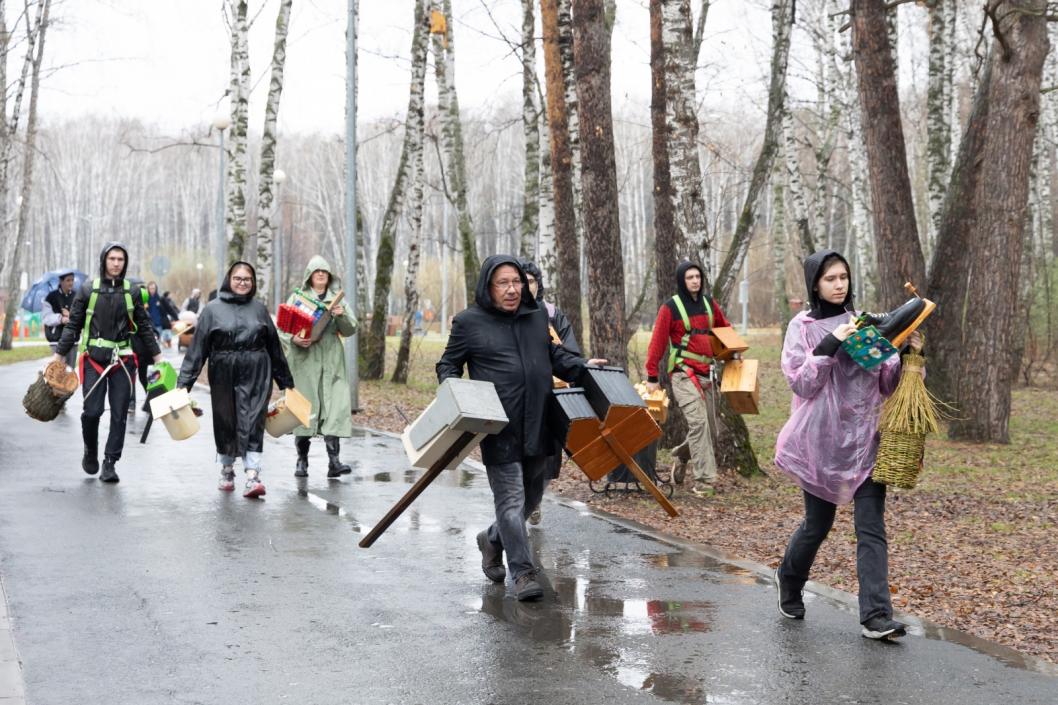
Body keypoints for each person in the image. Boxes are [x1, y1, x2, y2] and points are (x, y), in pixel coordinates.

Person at [436, 255, 605, 601]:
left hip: (540, 422)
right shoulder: (469, 323)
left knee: (531, 499)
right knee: (510, 500)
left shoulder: (536, 317)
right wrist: (457, 399)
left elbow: (555, 357)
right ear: (488, 286)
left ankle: (491, 539)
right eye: (504, 283)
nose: (513, 289)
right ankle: (524, 572)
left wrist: (583, 367)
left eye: (517, 282)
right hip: (498, 425)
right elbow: (448, 364)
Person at [772, 249, 921, 641]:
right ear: (815, 285)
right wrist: (830, 344)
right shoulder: (801, 327)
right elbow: (802, 384)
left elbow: (886, 384)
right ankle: (788, 579)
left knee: (871, 528)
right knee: (817, 526)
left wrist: (902, 351)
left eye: (844, 277)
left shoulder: (865, 324)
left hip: (865, 443)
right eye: (830, 279)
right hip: (820, 446)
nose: (839, 285)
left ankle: (876, 615)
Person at [178, 262, 294, 498]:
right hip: (223, 370)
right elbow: (197, 349)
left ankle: (253, 476)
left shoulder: (259, 309)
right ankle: (227, 468)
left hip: (256, 369)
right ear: (229, 280)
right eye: (238, 278)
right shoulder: (212, 310)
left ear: (253, 283)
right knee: (226, 419)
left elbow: (274, 346)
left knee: (254, 420)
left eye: (247, 279)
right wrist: (183, 385)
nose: (242, 283)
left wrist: (286, 384)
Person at [51, 243, 163, 484]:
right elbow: (73, 325)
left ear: (125, 262)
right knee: (92, 412)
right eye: (111, 258)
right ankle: (90, 450)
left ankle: (110, 462)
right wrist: (58, 356)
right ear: (104, 260)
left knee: (120, 414)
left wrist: (158, 358)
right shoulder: (88, 290)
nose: (116, 263)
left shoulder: (131, 292)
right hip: (94, 361)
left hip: (123, 361)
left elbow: (143, 327)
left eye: (120, 259)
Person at [644, 261, 731, 497]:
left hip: (708, 374)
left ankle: (681, 455)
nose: (695, 281)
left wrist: (735, 352)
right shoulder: (670, 308)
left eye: (698, 276)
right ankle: (705, 482)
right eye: (690, 277)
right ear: (682, 281)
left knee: (711, 430)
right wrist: (652, 375)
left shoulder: (709, 304)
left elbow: (725, 329)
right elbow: (657, 343)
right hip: (683, 375)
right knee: (699, 425)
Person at [279, 255, 358, 479]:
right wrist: (293, 340)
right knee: (305, 410)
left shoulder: (338, 300)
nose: (321, 274)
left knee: (333, 409)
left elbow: (351, 328)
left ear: (329, 276)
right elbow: (283, 328)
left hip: (331, 361)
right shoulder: (297, 297)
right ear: (309, 276)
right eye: (316, 271)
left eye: (324, 271)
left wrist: (341, 317)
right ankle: (302, 461)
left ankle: (334, 462)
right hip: (305, 361)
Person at [520, 259, 581, 526]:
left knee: (547, 460)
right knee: (520, 457)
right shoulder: (506, 315)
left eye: (531, 281)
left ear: (538, 284)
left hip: (552, 399)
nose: (526, 287)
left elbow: (570, 352)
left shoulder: (553, 314)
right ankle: (519, 508)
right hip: (520, 399)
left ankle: (534, 500)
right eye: (521, 281)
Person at [42, 271, 77, 369]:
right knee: (58, 373)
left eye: (72, 280)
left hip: (73, 341)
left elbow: (81, 316)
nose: (71, 283)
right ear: (61, 281)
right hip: (56, 340)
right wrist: (60, 319)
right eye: (68, 280)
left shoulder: (77, 296)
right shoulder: (51, 297)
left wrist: (70, 316)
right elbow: (46, 318)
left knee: (70, 373)